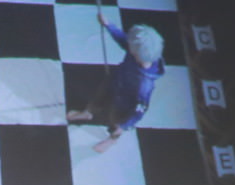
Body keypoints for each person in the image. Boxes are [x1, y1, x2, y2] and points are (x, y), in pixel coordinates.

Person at [67, 14, 165, 154]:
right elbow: (123, 40)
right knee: (99, 97)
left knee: (116, 120)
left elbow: (139, 111)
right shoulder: (138, 51)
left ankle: (113, 139)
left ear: (137, 53)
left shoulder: (144, 85)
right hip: (115, 80)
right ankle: (87, 113)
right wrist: (108, 25)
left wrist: (125, 124)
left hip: (125, 103)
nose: (128, 45)